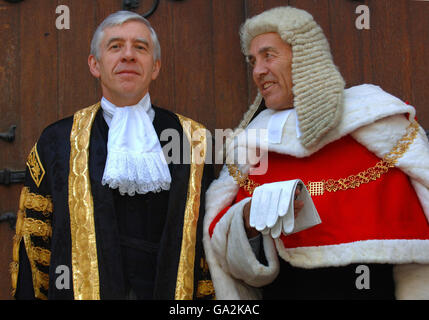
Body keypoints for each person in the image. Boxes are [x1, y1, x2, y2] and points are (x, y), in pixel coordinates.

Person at [203, 6, 429, 299]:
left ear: (305, 58)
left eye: (268, 55)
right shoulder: (251, 143)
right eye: (253, 61)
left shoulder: (376, 119)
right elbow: (227, 256)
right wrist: (247, 221)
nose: (258, 71)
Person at [10, 11, 213, 300]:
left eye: (140, 48)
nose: (128, 55)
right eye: (115, 46)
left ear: (155, 67)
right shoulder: (56, 141)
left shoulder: (194, 141)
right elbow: (33, 244)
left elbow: (213, 244)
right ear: (95, 64)